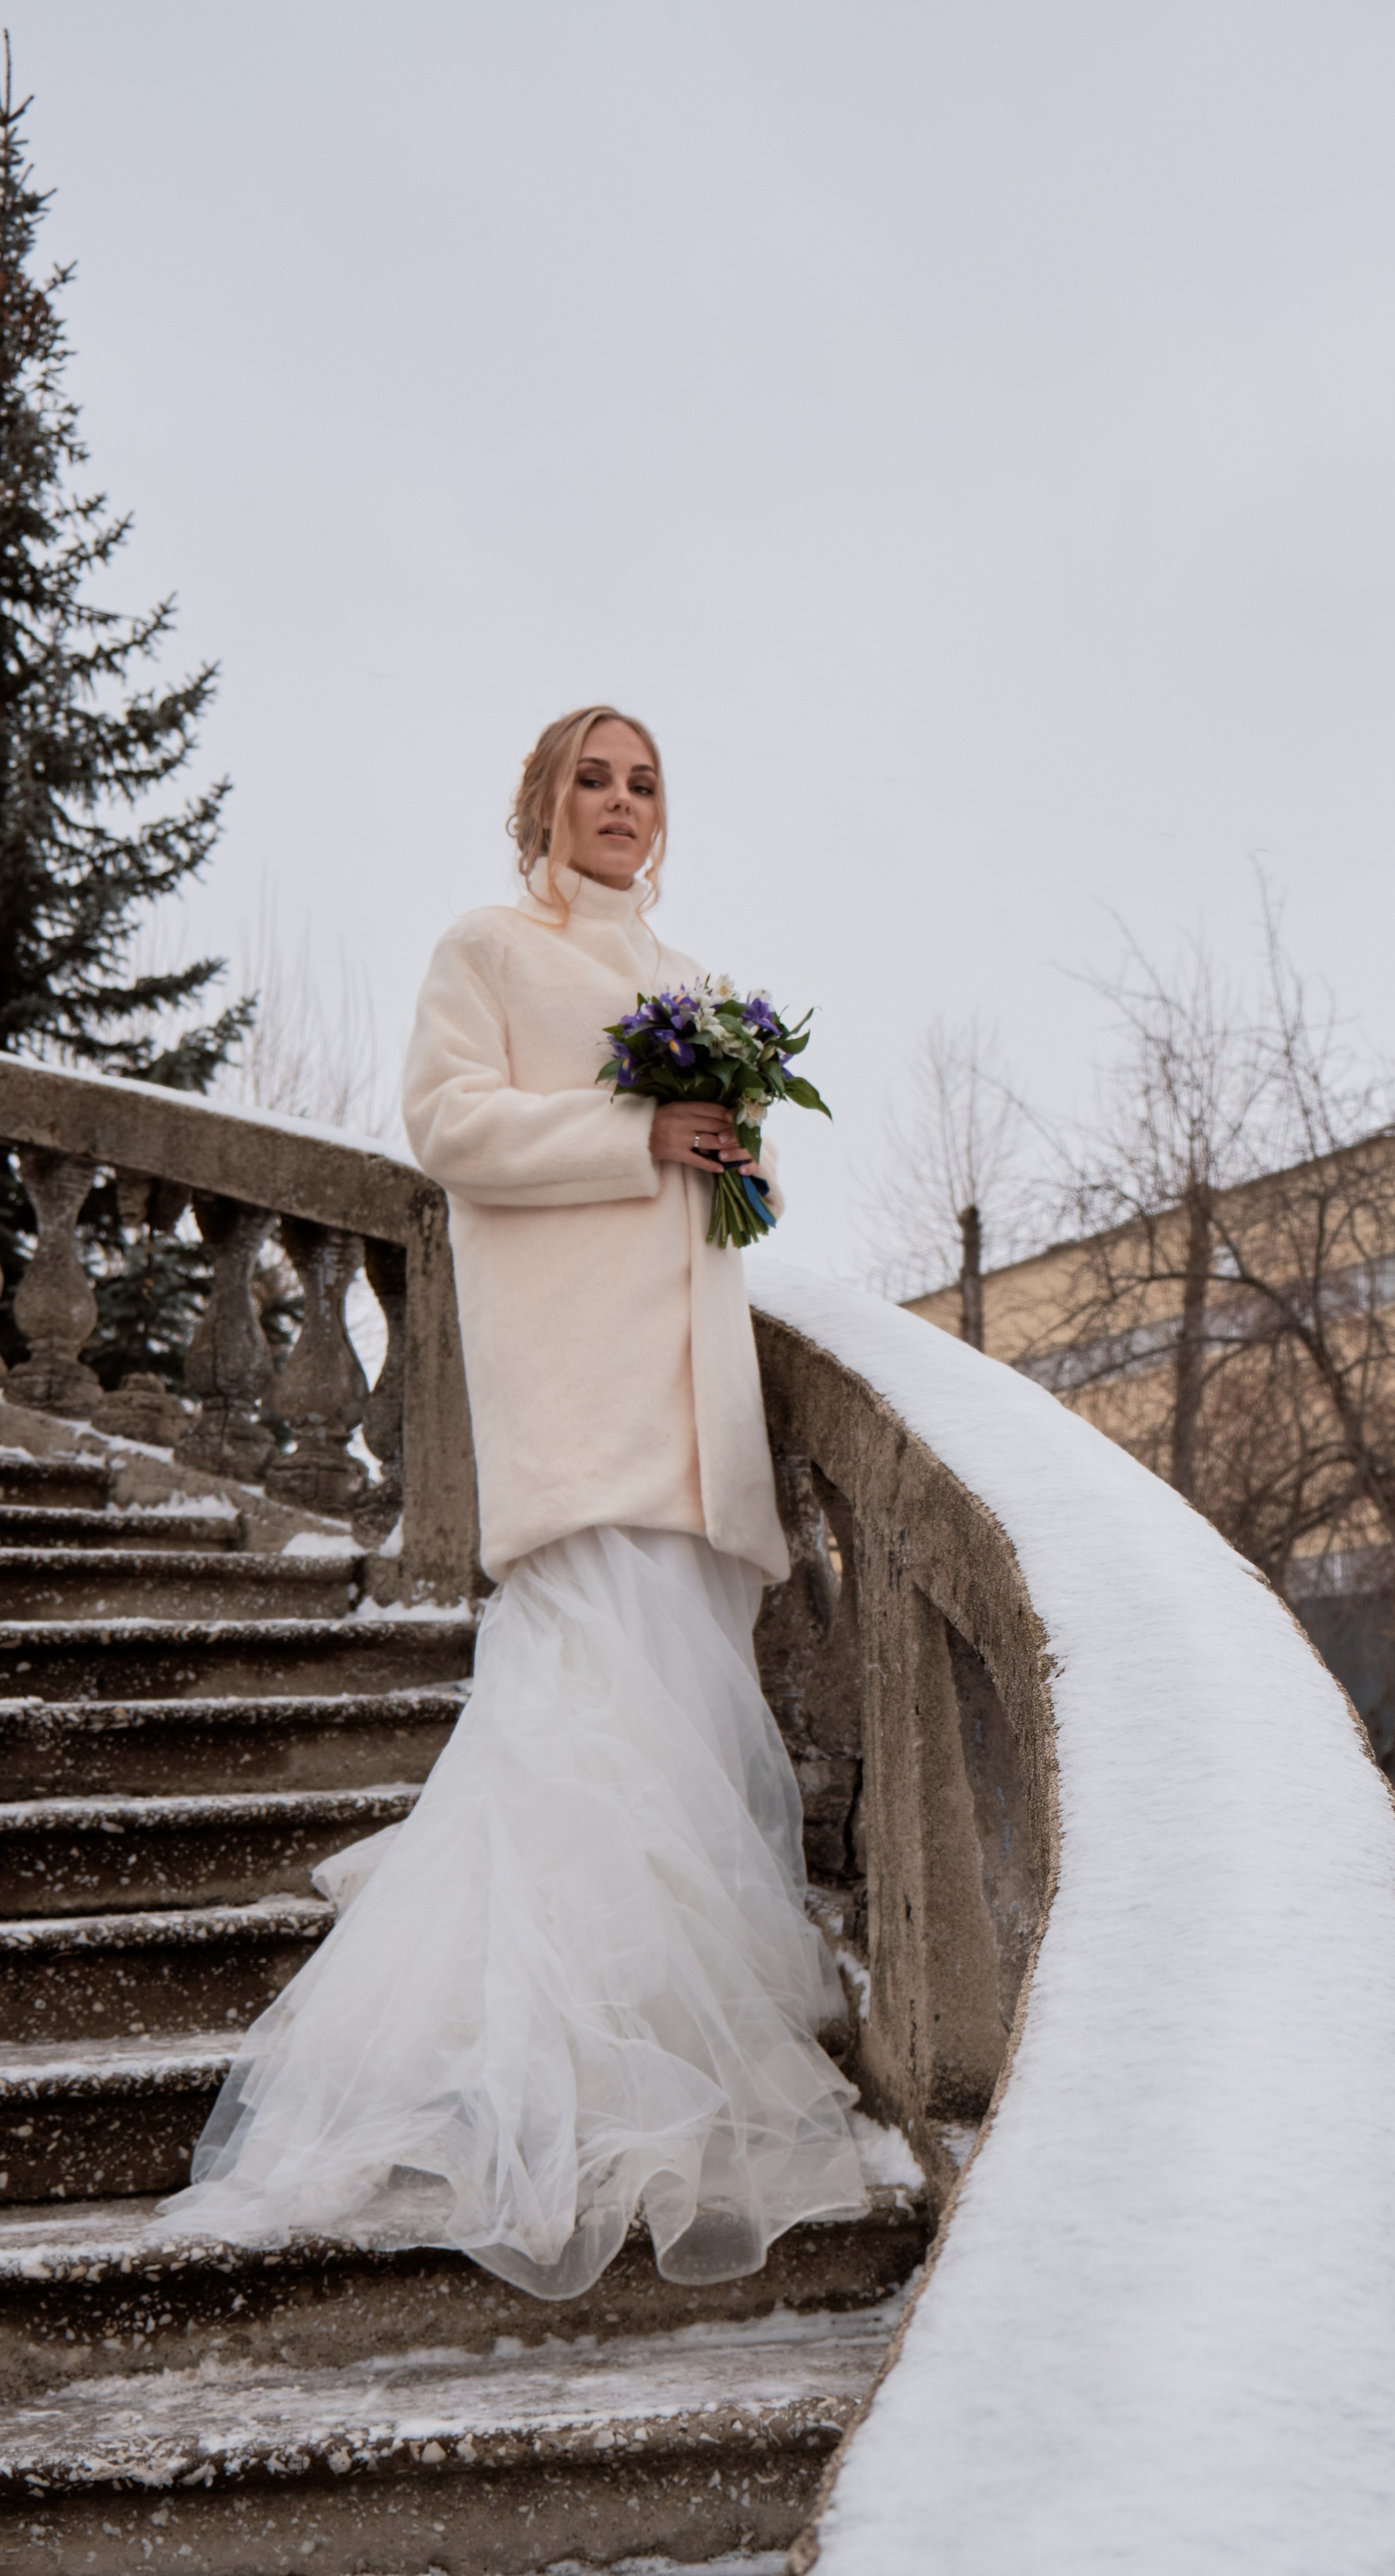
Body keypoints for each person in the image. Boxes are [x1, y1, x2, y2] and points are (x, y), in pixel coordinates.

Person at [167, 706, 870, 2298]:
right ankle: (550, 2065)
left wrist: (733, 1148)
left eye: (642, 785)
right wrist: (640, 1132)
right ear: (539, 803)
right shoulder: (489, 947)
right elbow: (452, 1128)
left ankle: (635, 2034)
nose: (618, 805)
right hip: (575, 1391)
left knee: (674, 1730)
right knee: (578, 1711)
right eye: (591, 780)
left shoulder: (692, 985)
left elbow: (727, 1197)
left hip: (689, 1402)